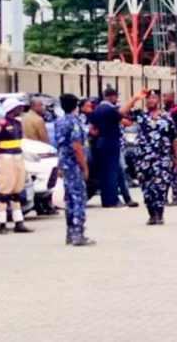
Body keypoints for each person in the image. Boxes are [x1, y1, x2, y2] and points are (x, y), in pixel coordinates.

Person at [123, 89, 177, 225]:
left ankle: (159, 214)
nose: (151, 100)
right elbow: (121, 113)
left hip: (162, 158)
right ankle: (151, 214)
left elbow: (174, 138)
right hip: (144, 158)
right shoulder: (140, 116)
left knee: (160, 186)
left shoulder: (167, 117)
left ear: (158, 99)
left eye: (154, 98)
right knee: (146, 187)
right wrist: (135, 98)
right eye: (148, 98)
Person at [55, 94, 95, 246]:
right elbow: (77, 146)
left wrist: (59, 165)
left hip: (65, 164)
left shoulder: (59, 121)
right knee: (78, 199)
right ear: (76, 106)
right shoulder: (74, 122)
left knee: (70, 200)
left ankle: (70, 233)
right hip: (74, 165)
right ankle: (78, 234)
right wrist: (84, 167)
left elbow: (60, 146)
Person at [0, 98, 34, 234]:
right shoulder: (2, 123)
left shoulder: (18, 123)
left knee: (16, 191)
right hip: (6, 158)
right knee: (4, 191)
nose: (21, 109)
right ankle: (2, 224)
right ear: (11, 108)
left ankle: (19, 222)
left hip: (17, 157)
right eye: (19, 107)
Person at [91, 88, 131, 208]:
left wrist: (101, 133)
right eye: (115, 97)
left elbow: (92, 129)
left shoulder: (96, 109)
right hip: (111, 143)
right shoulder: (110, 110)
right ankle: (113, 200)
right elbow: (124, 121)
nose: (116, 99)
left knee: (104, 173)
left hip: (100, 143)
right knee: (112, 173)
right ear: (112, 97)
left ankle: (106, 200)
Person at [162, 90, 177, 206]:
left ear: (172, 97)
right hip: (163, 147)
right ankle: (164, 197)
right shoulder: (164, 111)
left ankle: (175, 196)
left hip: (175, 146)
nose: (164, 98)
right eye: (163, 96)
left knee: (174, 172)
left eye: (166, 96)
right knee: (164, 173)